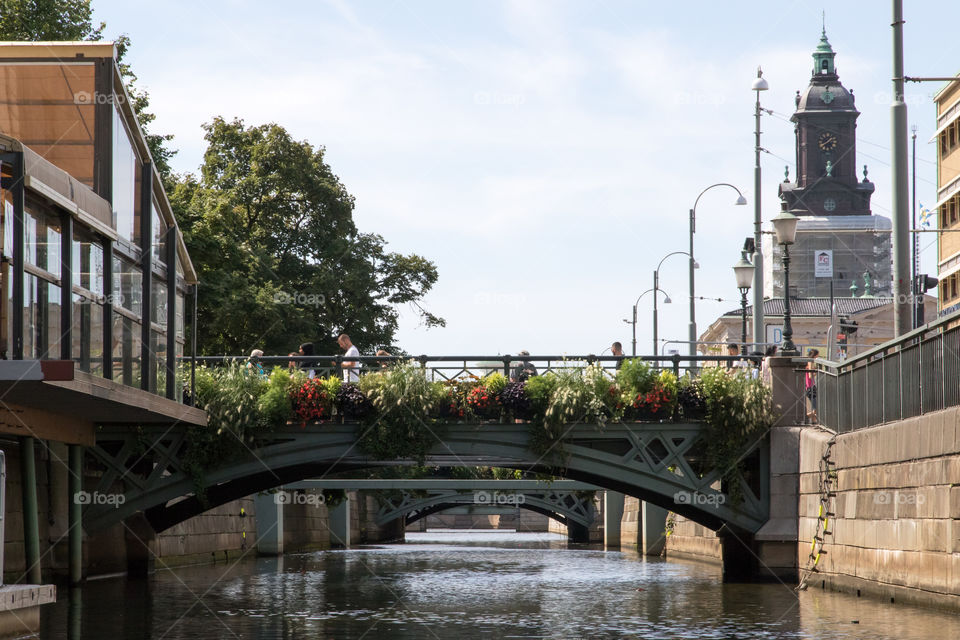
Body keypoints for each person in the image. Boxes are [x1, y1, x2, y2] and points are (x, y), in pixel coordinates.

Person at [805, 348, 819, 423]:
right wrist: (815, 372)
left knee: (814, 406)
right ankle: (804, 417)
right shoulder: (810, 362)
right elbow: (810, 375)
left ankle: (814, 422)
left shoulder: (808, 362)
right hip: (810, 386)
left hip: (809, 386)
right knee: (815, 408)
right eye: (817, 355)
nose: (817, 357)